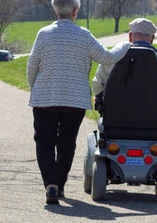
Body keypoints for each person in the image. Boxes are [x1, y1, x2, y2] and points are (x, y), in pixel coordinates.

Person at [27, 0, 131, 205]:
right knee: (66, 143)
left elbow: (32, 66)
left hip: (45, 98)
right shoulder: (84, 35)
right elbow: (108, 58)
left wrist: (35, 88)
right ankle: (60, 184)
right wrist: (125, 44)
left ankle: (51, 186)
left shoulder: (43, 34)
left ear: (55, 10)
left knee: (45, 142)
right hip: (74, 100)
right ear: (75, 11)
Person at [92, 18, 157, 109]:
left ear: (130, 36)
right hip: (153, 121)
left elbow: (97, 87)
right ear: (152, 38)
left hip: (115, 118)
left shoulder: (112, 59)